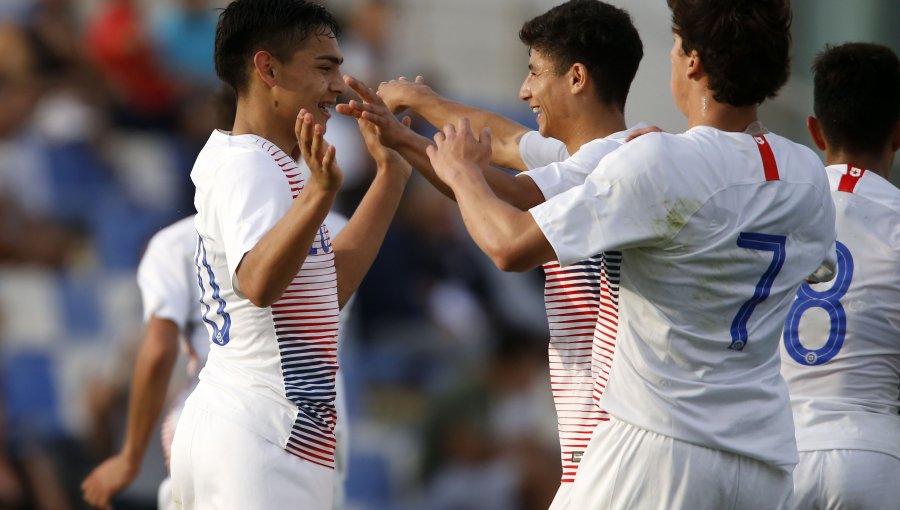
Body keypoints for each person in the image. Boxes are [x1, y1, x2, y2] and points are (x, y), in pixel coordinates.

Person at [423, 0, 838, 507]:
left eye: (674, 42)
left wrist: (462, 173)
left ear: (693, 61)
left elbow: (509, 246)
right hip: (764, 461)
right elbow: (816, 267)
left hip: (657, 447)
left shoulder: (661, 158)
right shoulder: (808, 175)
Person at [338, 1, 643, 506]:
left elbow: (507, 236)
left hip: (620, 424)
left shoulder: (616, 167)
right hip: (597, 419)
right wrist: (411, 123)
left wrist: (441, 159)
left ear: (576, 78)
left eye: (535, 73)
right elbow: (496, 144)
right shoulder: (591, 160)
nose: (524, 90)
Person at [168, 1, 411, 508]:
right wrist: (320, 194)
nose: (340, 84)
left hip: (259, 433)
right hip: (261, 434)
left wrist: (391, 175)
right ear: (267, 68)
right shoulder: (250, 165)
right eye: (325, 67)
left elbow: (327, 288)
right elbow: (257, 282)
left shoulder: (269, 163)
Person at [81, 213, 354, 510]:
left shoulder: (173, 246)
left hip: (218, 433)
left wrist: (128, 455)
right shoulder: (337, 229)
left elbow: (152, 358)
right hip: (313, 431)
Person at [780, 42, 900, 510]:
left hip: (776, 451)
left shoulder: (770, 211)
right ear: (897, 132)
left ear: (815, 130)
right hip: (872, 452)